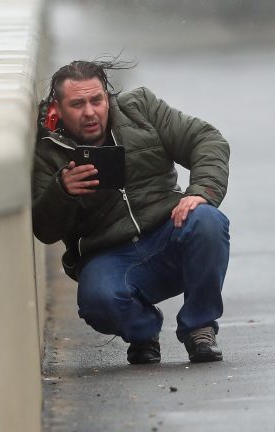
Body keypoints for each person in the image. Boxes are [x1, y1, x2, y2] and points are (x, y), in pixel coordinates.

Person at [31, 59, 230, 364]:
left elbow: (206, 139)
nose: (89, 112)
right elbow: (45, 230)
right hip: (109, 257)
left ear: (107, 97)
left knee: (208, 221)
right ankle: (143, 332)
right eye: (77, 104)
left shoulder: (140, 109)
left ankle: (199, 327)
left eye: (96, 100)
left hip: (168, 234)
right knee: (97, 300)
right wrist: (63, 191)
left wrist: (200, 193)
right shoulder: (49, 151)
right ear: (58, 107)